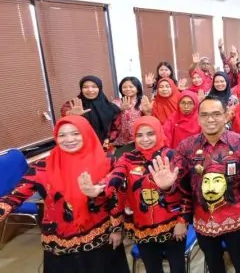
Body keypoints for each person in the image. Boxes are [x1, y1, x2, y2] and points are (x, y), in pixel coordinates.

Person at [0, 116, 128, 273]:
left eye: (76, 133)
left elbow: (117, 197)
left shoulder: (108, 162)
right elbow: (15, 196)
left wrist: (116, 229)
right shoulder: (42, 167)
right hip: (60, 242)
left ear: (86, 133)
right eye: (62, 135)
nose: (69, 139)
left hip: (101, 238)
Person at [79, 116, 191, 273]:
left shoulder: (173, 157)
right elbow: (115, 176)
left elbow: (187, 192)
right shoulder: (128, 158)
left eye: (150, 134)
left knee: (177, 268)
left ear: (159, 132)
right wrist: (100, 187)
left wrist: (182, 221)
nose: (145, 139)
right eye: (139, 135)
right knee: (152, 269)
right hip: (141, 227)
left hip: (173, 225)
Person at [162, 96, 240, 273]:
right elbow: (179, 185)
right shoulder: (186, 146)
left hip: (238, 220)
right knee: (214, 266)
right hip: (203, 220)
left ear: (226, 116)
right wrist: (166, 186)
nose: (210, 119)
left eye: (216, 114)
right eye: (205, 115)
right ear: (198, 118)